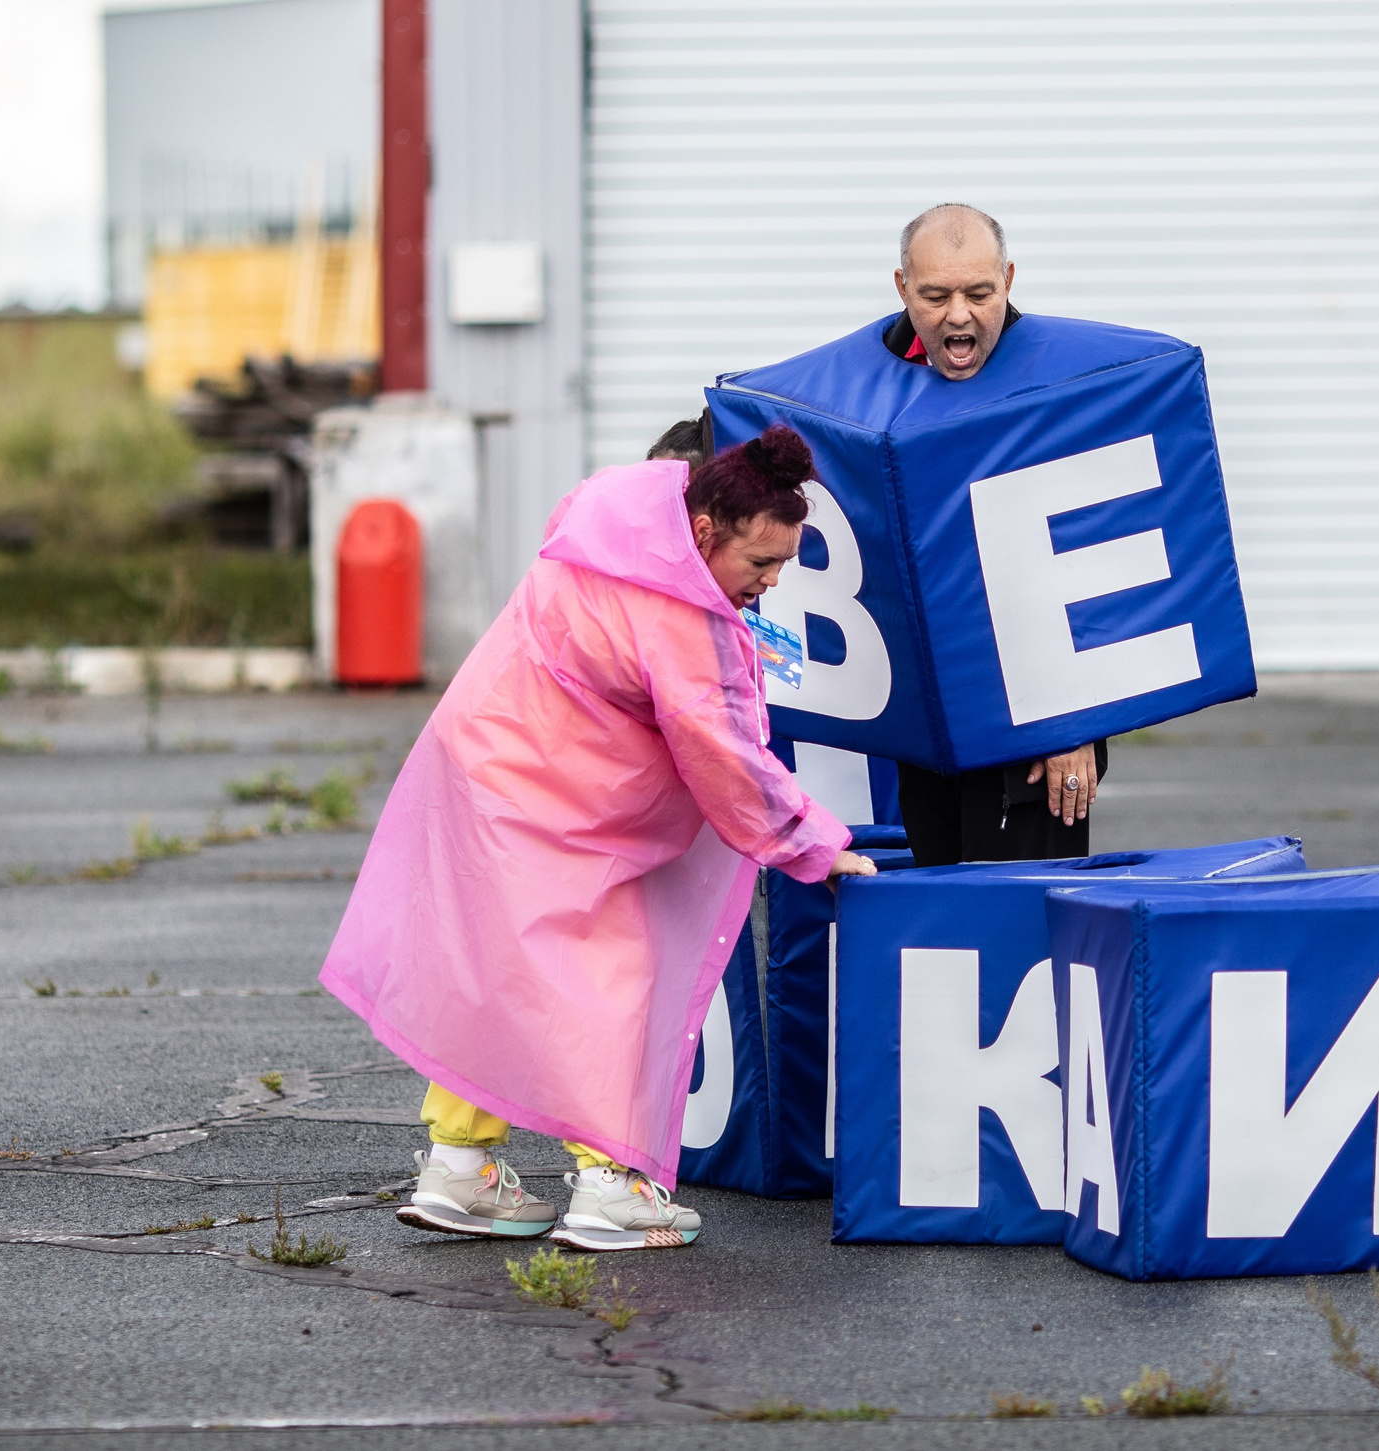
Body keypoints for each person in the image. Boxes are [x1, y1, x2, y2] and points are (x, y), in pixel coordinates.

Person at [319, 426, 876, 1251]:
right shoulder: (684, 615)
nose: (768, 584)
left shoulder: (610, 535)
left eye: (782, 567)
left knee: (493, 967)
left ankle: (459, 1166)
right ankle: (611, 1184)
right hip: (554, 799)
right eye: (760, 564)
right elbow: (725, 754)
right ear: (703, 533)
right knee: (615, 971)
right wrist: (819, 847)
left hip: (483, 765)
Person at [884, 203, 1106, 867]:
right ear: (902, 289)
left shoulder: (1060, 384)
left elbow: (1097, 555)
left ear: (1007, 280)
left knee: (1022, 926)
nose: (959, 315)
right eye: (935, 295)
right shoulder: (874, 378)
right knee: (939, 919)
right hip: (924, 720)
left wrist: (1077, 723)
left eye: (979, 294)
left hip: (1037, 732)